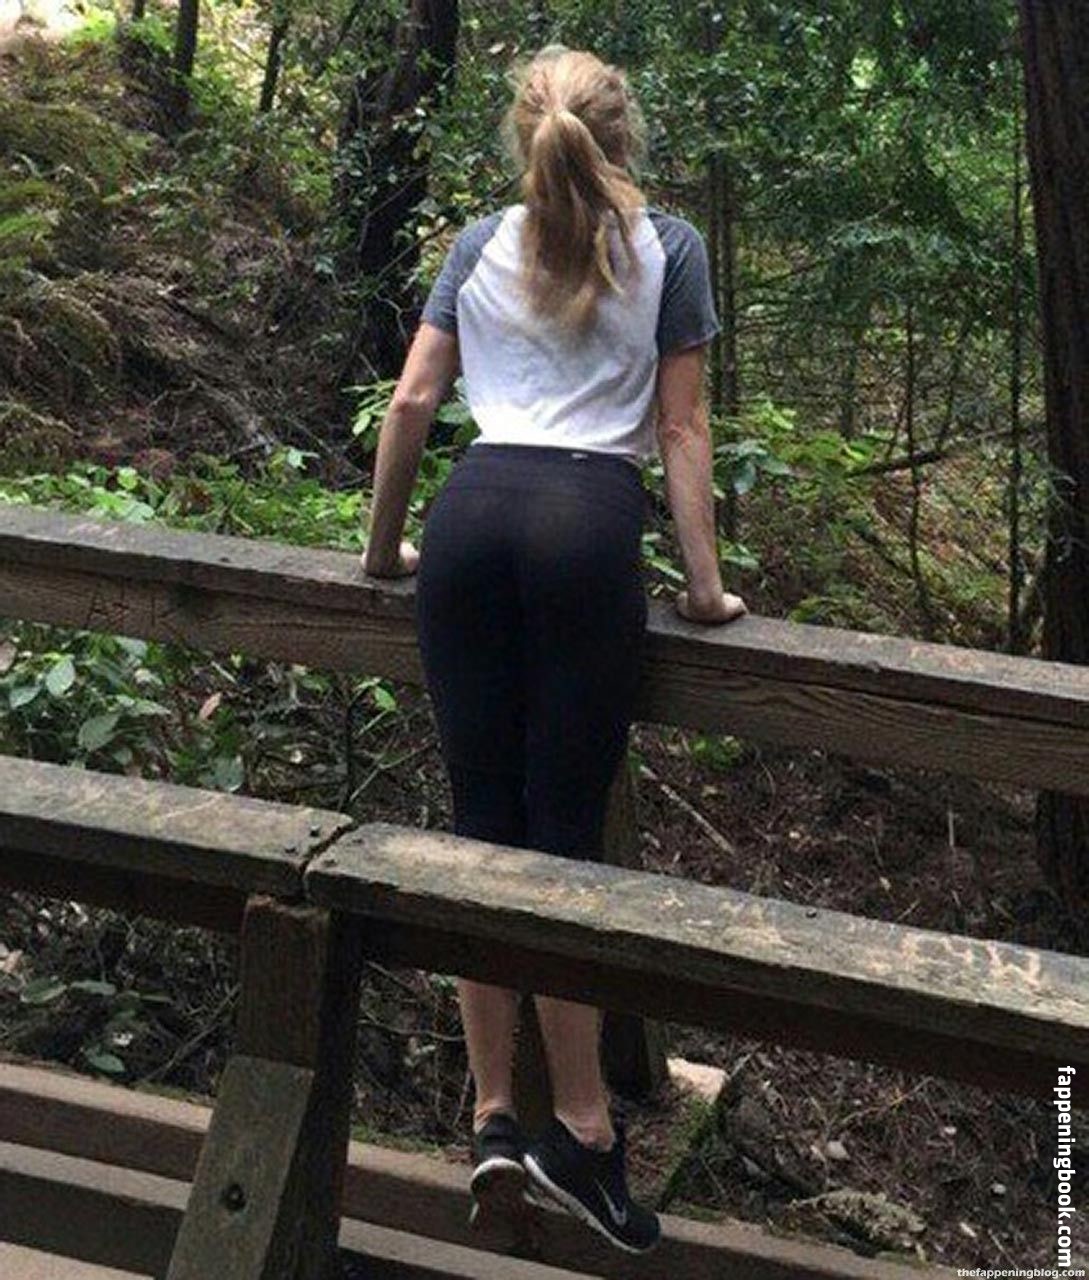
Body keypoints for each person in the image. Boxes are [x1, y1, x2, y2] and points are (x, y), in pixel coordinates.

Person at [360, 43, 747, 1256]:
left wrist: (381, 550)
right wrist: (703, 586)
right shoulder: (669, 248)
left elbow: (412, 402)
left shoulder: (479, 244)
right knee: (563, 836)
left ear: (522, 133)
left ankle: (491, 1112)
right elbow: (680, 427)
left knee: (482, 823)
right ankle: (580, 1125)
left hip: (468, 521)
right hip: (586, 527)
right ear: (624, 133)